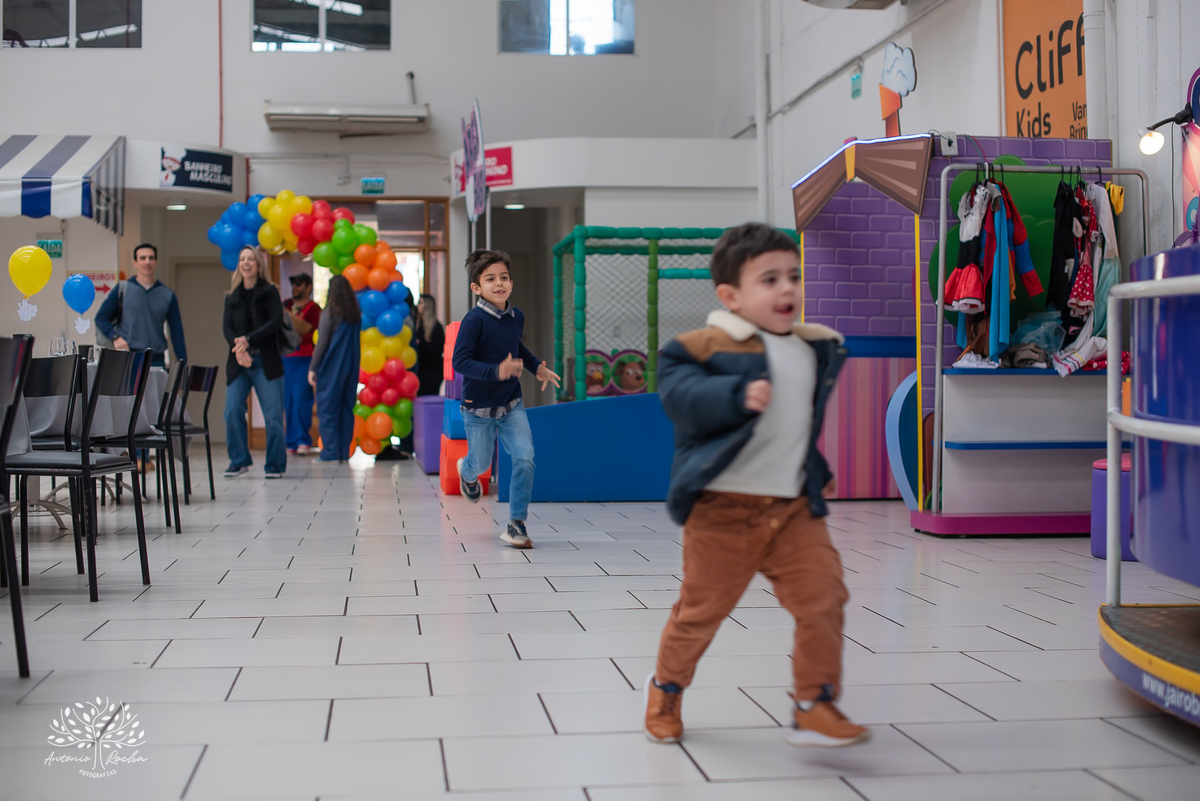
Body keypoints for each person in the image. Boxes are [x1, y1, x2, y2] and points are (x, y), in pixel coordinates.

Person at [643, 223, 866, 749]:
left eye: (793, 276)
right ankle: (666, 689)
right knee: (700, 614)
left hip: (791, 509)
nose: (787, 289)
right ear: (731, 296)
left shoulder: (813, 350)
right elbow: (679, 396)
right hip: (722, 511)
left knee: (824, 598)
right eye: (769, 279)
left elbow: (793, 427)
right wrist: (734, 395)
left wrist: (817, 470)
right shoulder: (702, 346)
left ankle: (814, 702)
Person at [451, 250, 559, 549]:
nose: (499, 283)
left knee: (525, 457)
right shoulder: (474, 321)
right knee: (481, 463)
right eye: (490, 279)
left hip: (512, 404)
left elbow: (517, 348)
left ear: (511, 283)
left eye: (504, 278)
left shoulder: (516, 316)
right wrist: (495, 370)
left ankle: (516, 523)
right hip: (478, 409)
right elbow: (460, 362)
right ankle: (466, 471)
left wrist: (537, 367)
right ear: (477, 288)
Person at [222, 246, 287, 479]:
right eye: (242, 259)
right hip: (239, 361)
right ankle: (239, 461)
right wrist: (239, 349)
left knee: (273, 417)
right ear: (238, 265)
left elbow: (275, 322)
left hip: (266, 361)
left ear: (259, 265)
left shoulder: (270, 292)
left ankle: (275, 465)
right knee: (232, 411)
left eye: (251, 259)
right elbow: (227, 329)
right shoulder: (232, 296)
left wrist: (249, 340)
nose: (246, 262)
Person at [95, 242, 187, 366]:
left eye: (151, 258)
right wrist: (115, 337)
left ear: (156, 262)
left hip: (156, 359)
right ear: (135, 263)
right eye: (142, 258)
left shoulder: (167, 295)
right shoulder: (123, 289)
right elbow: (100, 318)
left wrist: (183, 365)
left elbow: (177, 332)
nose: (147, 262)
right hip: (128, 358)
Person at [308, 275, 361, 463]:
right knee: (346, 409)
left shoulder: (329, 313)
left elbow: (322, 343)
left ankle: (330, 453)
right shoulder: (355, 315)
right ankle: (342, 453)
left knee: (328, 410)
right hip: (351, 367)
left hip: (332, 368)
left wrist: (313, 367)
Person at [282, 272, 322, 455]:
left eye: (299, 284)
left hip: (305, 358)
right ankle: (290, 442)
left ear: (308, 287)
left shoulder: (314, 309)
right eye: (293, 283)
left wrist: (295, 327)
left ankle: (302, 440)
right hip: (286, 358)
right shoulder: (286, 305)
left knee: (301, 399)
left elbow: (309, 335)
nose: (295, 287)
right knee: (288, 401)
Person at [413, 293, 446, 397]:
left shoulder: (436, 327)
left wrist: (420, 344)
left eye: (420, 303)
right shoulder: (417, 325)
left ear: (427, 306)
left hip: (432, 371)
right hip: (419, 370)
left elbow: (437, 350)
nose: (417, 305)